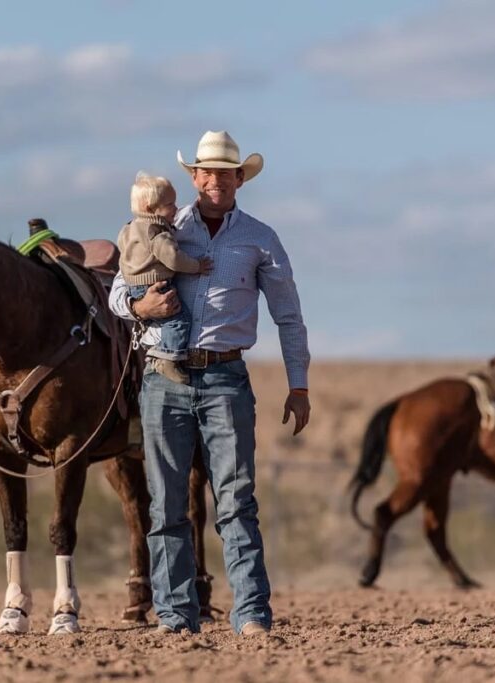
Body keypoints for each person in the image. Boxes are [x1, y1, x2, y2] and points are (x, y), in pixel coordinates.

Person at [109, 130, 311, 635]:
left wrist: (299, 383)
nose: (216, 180)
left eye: (226, 172)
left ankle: (251, 614)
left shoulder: (261, 238)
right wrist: (139, 307)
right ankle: (176, 615)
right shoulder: (158, 224)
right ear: (194, 177)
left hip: (226, 376)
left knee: (236, 498)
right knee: (167, 504)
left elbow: (288, 315)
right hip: (163, 378)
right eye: (207, 172)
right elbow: (115, 292)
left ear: (240, 179)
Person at [117, 172, 212, 384]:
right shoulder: (157, 232)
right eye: (170, 204)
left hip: (135, 286)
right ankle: (165, 357)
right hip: (155, 284)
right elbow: (174, 259)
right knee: (179, 321)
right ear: (151, 209)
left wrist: (132, 277)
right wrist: (197, 266)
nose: (176, 209)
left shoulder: (128, 229)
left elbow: (123, 254)